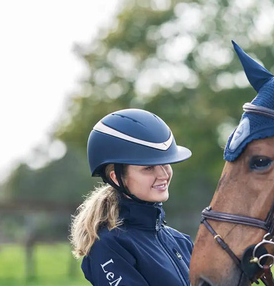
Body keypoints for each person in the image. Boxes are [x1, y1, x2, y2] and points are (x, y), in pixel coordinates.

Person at [70, 108, 193, 286]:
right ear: (116, 178)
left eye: (165, 163)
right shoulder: (109, 246)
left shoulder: (181, 242)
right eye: (148, 168)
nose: (163, 174)